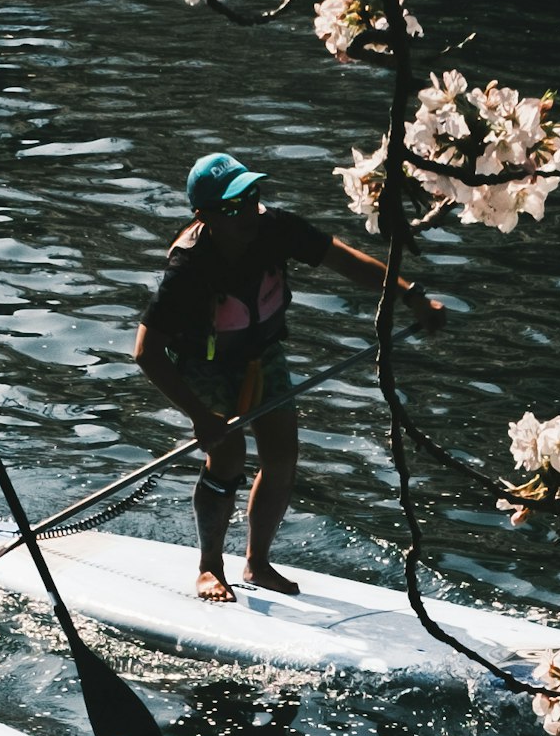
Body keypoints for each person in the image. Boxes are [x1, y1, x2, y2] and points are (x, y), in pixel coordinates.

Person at [134, 147, 438, 602]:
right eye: (233, 206)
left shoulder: (275, 228)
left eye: (252, 196)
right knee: (229, 455)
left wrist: (409, 294)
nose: (248, 212)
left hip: (261, 355)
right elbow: (146, 352)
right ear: (205, 216)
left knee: (281, 456)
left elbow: (343, 259)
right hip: (202, 365)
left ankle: (256, 564)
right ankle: (209, 567)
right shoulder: (188, 268)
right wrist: (200, 417)